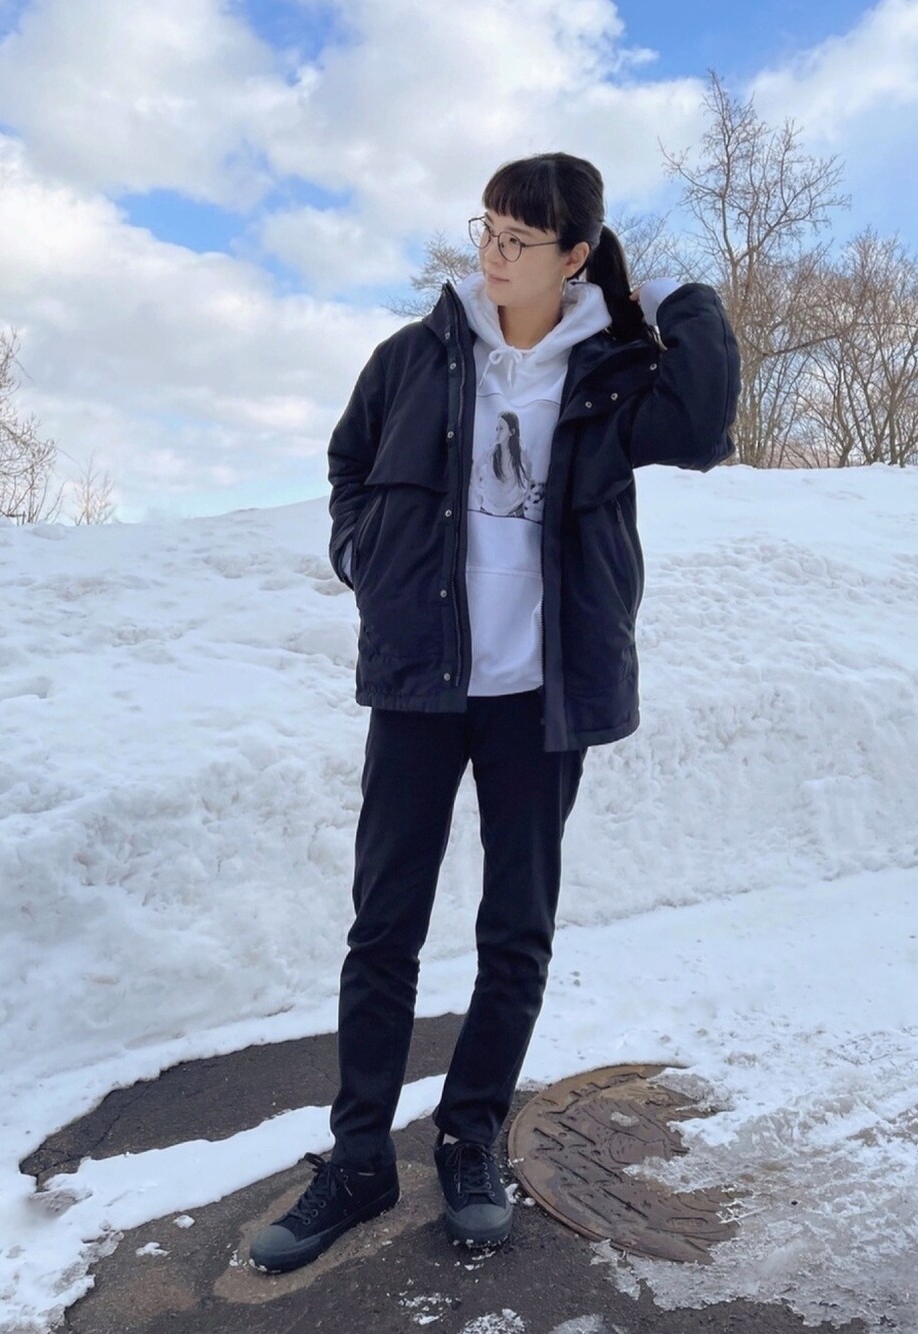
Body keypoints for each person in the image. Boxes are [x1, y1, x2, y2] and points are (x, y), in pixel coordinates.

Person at [249, 152, 739, 1274]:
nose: (494, 254)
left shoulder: (611, 370)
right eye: (488, 230)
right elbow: (349, 463)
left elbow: (705, 424)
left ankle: (469, 1138)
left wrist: (673, 297)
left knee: (514, 929)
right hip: (422, 684)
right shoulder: (414, 355)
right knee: (384, 926)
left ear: (575, 257)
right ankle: (358, 1159)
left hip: (539, 696)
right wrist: (361, 555)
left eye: (521, 239)